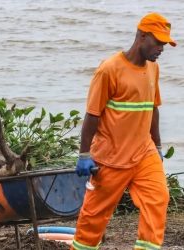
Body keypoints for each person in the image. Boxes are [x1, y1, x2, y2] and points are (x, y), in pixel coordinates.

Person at [72, 13, 176, 250]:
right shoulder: (110, 69)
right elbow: (92, 114)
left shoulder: (153, 69)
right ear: (142, 36)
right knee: (93, 219)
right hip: (111, 158)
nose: (161, 48)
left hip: (143, 154)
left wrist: (157, 147)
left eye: (164, 44)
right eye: (158, 41)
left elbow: (153, 109)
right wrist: (84, 154)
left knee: (158, 199)